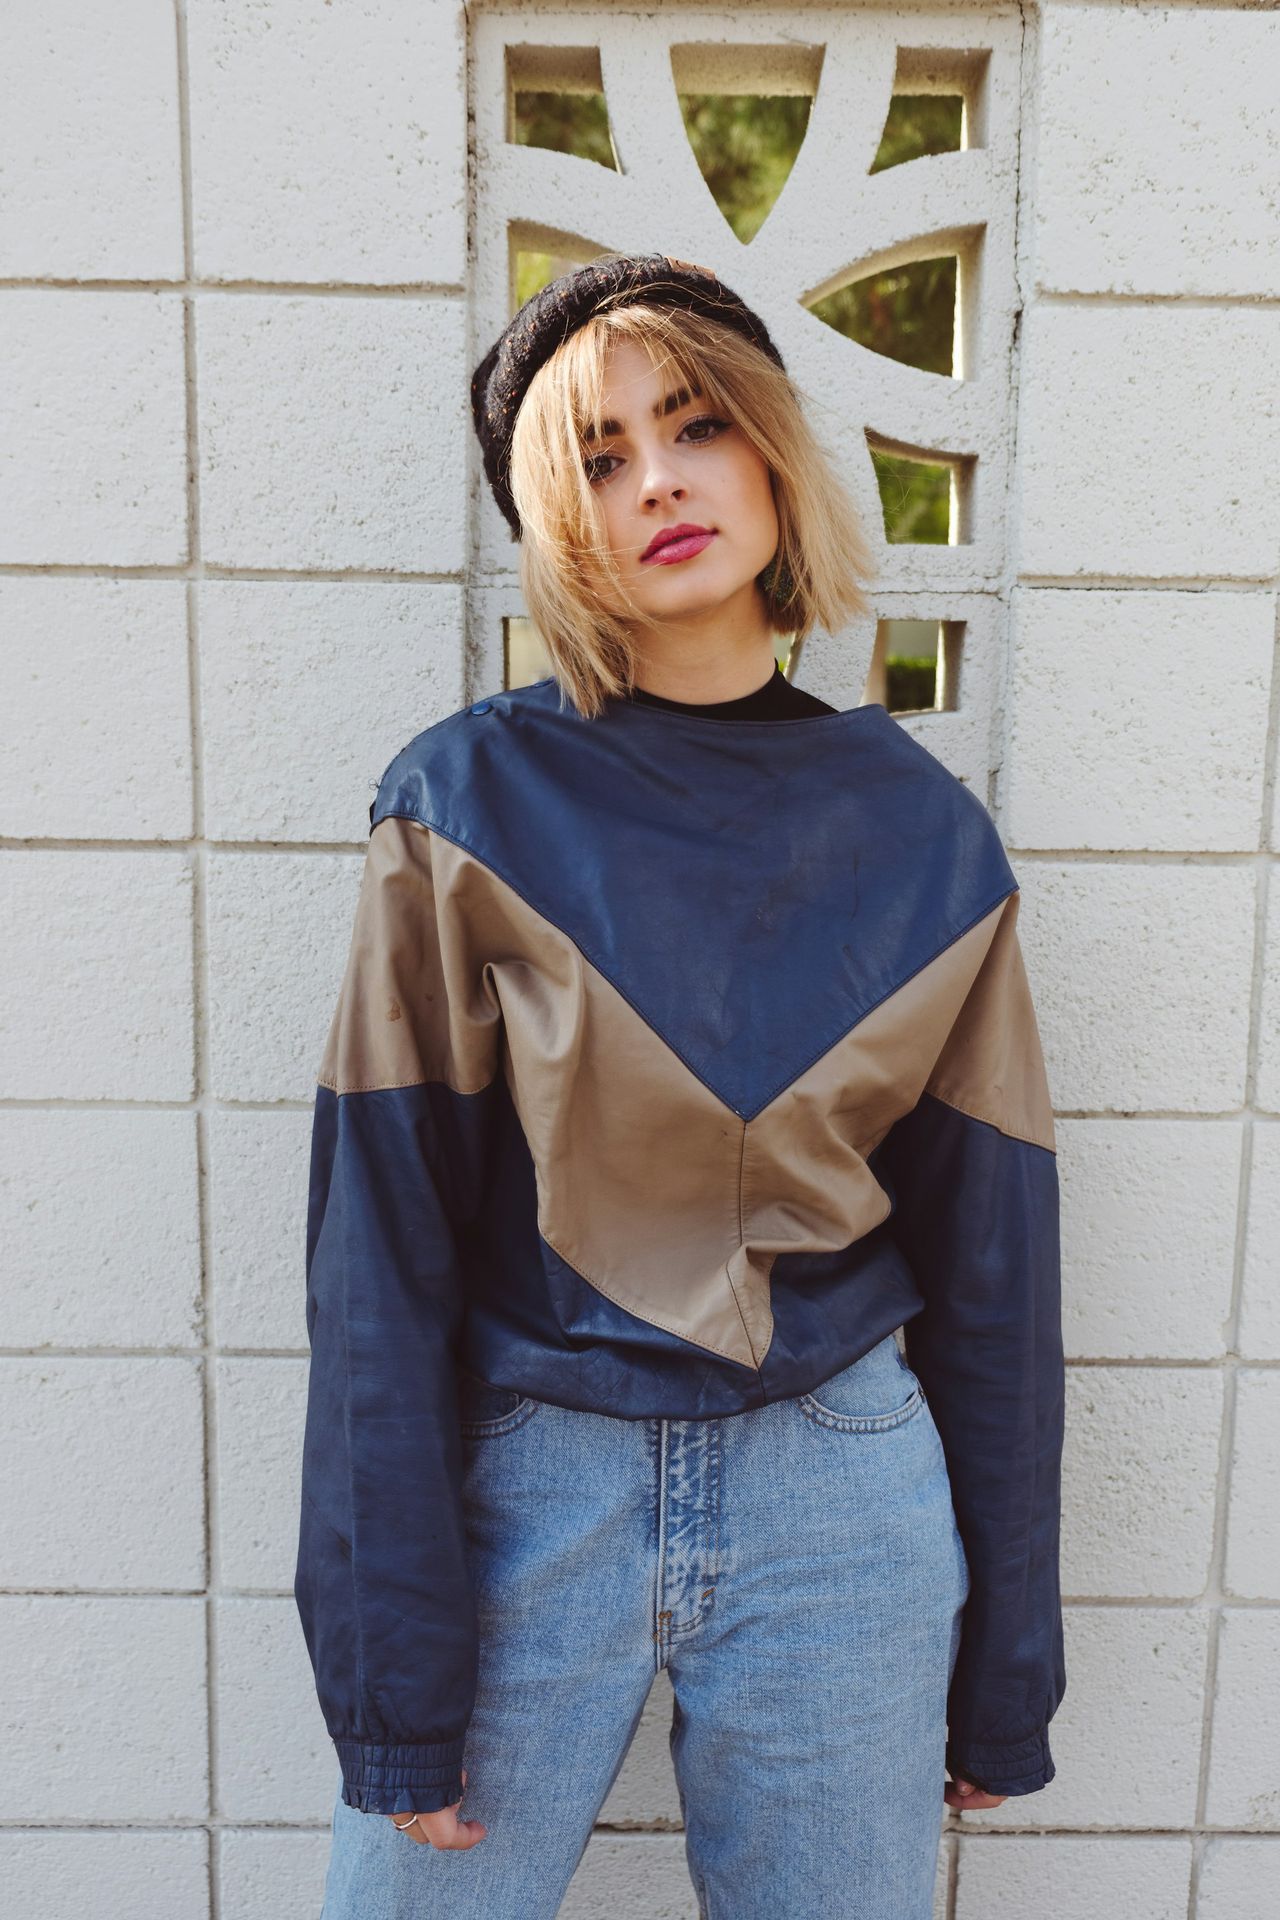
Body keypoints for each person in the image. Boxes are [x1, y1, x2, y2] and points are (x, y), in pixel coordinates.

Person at [296, 252, 1066, 1920]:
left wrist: (1010, 1663)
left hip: (843, 1488)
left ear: (773, 452)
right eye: (598, 456)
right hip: (531, 1488)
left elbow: (998, 1271)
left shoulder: (926, 835)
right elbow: (378, 1259)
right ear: (554, 523)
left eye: (696, 424)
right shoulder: (460, 805)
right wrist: (390, 1675)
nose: (657, 479)